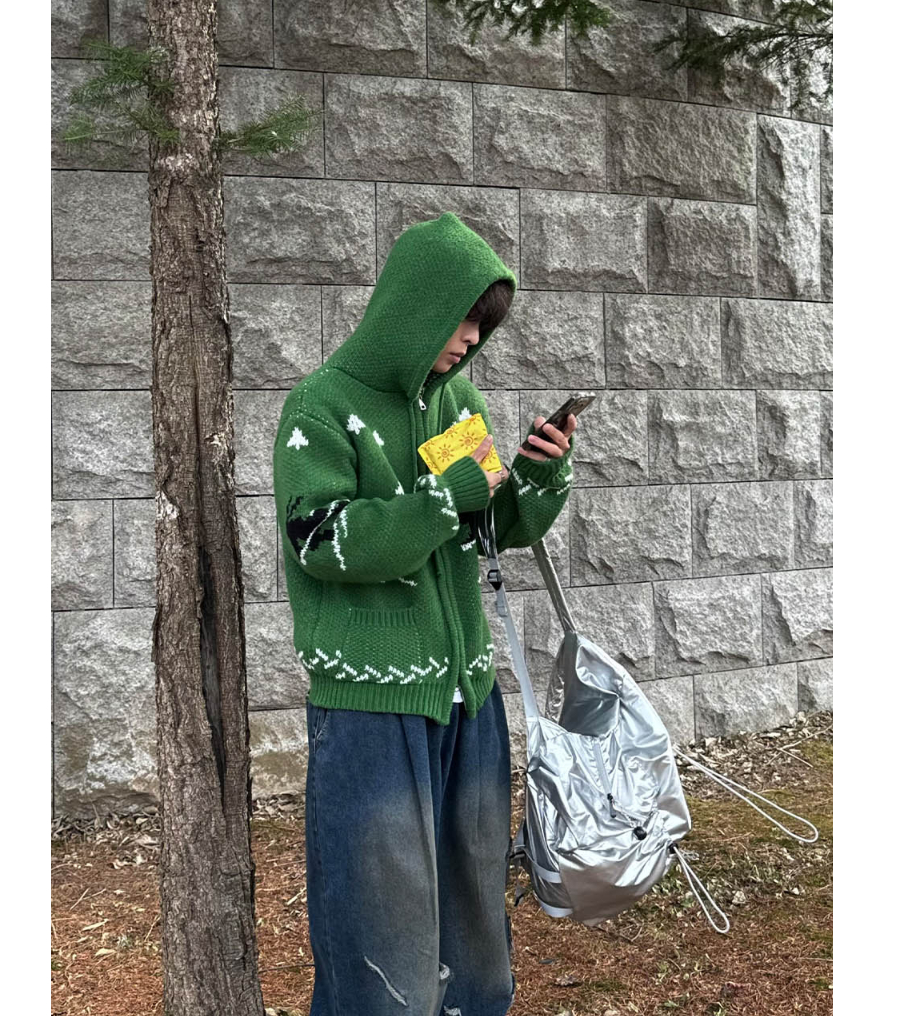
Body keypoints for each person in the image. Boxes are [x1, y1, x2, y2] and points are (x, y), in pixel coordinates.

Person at [273, 211, 577, 1016]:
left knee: (474, 931)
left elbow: (484, 528)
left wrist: (536, 478)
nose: (471, 339)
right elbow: (323, 542)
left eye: (483, 325)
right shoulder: (320, 408)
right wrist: (447, 496)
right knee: (380, 937)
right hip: (371, 710)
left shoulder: (456, 405)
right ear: (414, 306)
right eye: (462, 319)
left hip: (468, 698)